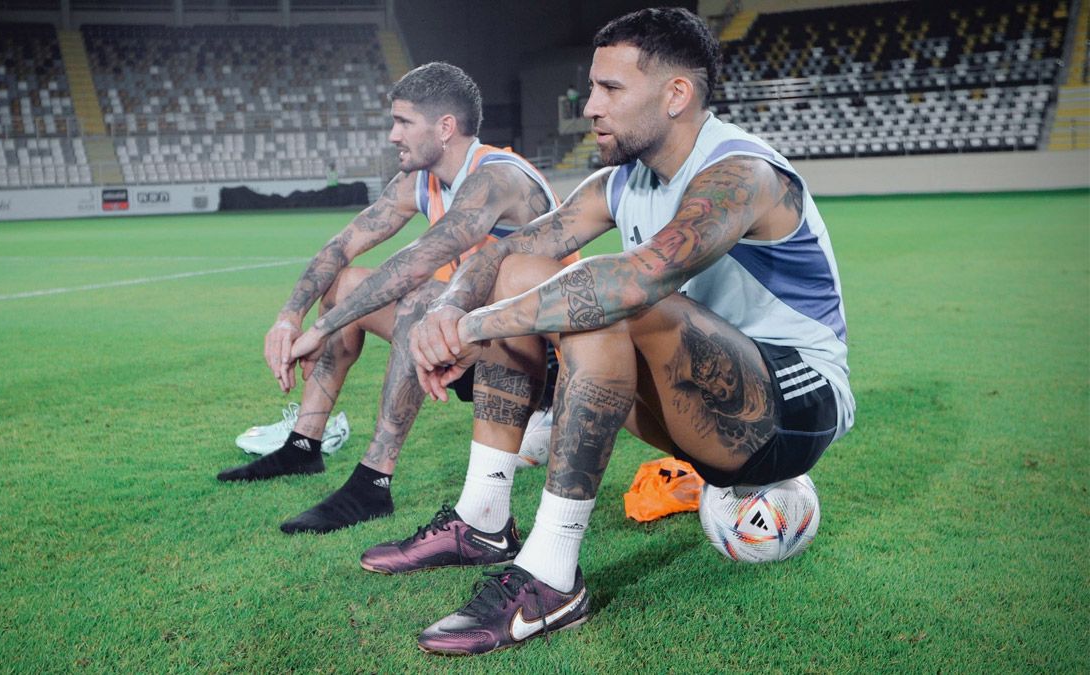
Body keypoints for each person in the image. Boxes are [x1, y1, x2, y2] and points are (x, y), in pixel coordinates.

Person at [404, 8, 855, 655]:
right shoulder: (620, 182)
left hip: (793, 407)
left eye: (609, 89)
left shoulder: (742, 175)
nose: (588, 106)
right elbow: (510, 250)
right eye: (591, 88)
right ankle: (482, 517)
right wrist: (449, 305)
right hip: (701, 396)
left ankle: (550, 574)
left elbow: (634, 283)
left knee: (608, 295)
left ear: (677, 95)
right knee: (523, 269)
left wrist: (472, 329)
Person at [217, 62, 570, 538]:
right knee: (346, 282)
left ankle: (372, 481)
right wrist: (288, 317)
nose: (391, 135)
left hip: (540, 358)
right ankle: (304, 445)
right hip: (470, 341)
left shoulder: (497, 178)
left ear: (445, 128)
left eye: (403, 122)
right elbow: (342, 244)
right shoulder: (421, 180)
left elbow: (423, 259)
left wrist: (318, 331)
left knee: (420, 297)